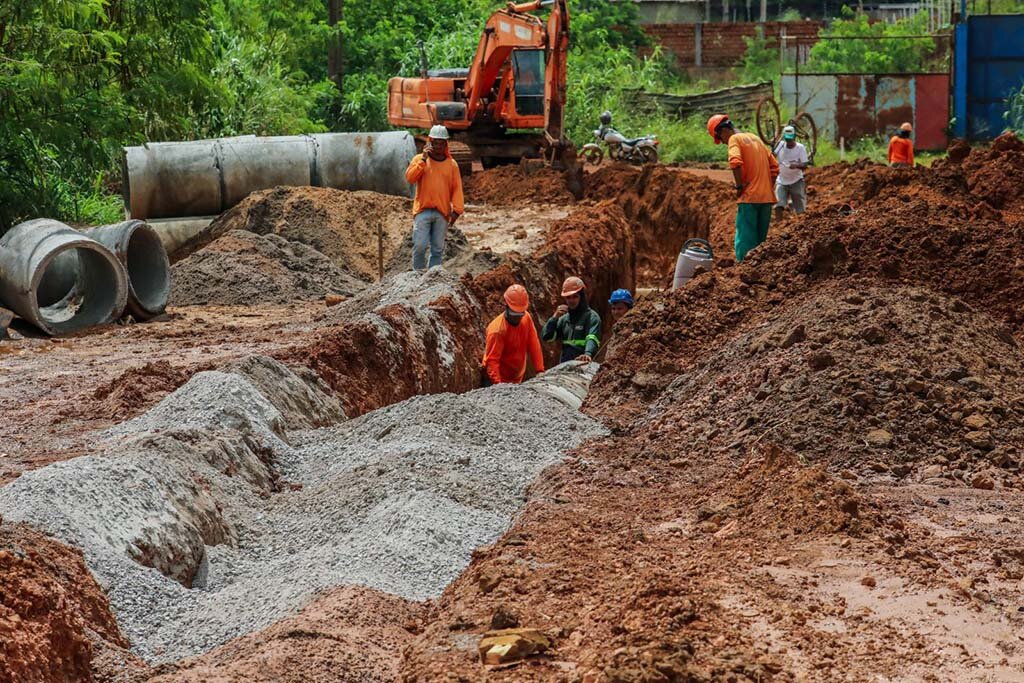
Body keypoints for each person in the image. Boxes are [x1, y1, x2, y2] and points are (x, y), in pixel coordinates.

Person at [707, 114, 779, 263]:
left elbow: (735, 162)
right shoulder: (756, 139)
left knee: (745, 243)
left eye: (720, 138)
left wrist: (739, 186)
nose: (723, 142)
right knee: (760, 244)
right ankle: (760, 273)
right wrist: (766, 188)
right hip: (766, 200)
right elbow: (775, 167)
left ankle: (743, 274)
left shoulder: (734, 139)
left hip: (749, 199)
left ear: (723, 130)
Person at [405, 124, 465, 271]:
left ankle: (433, 278)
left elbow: (457, 188)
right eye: (435, 142)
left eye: (441, 143)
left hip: (442, 212)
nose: (438, 146)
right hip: (422, 210)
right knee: (420, 245)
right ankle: (417, 276)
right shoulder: (419, 160)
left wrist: (456, 211)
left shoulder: (452, 165)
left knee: (437, 249)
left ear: (445, 144)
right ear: (429, 142)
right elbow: (410, 178)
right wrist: (423, 160)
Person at [482, 284, 545, 386]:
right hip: (496, 378)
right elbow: (492, 361)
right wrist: (498, 385)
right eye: (515, 315)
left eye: (520, 315)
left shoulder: (526, 318)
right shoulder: (497, 330)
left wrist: (539, 370)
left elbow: (533, 343)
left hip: (516, 377)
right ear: (506, 305)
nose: (518, 318)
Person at [542, 276, 601, 364]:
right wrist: (554, 318)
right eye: (568, 297)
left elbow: (592, 338)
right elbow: (547, 337)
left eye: (575, 297)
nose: (571, 300)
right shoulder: (564, 319)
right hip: (565, 364)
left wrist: (588, 354)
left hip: (584, 364)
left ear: (582, 297)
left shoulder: (592, 317)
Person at [772, 125, 809, 221]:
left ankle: (801, 225)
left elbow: (805, 164)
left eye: (791, 139)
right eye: (787, 140)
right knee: (778, 205)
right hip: (782, 181)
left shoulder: (800, 148)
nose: (789, 142)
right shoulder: (780, 145)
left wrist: (796, 165)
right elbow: (772, 156)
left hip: (796, 181)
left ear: (794, 138)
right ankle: (778, 225)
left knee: (800, 209)